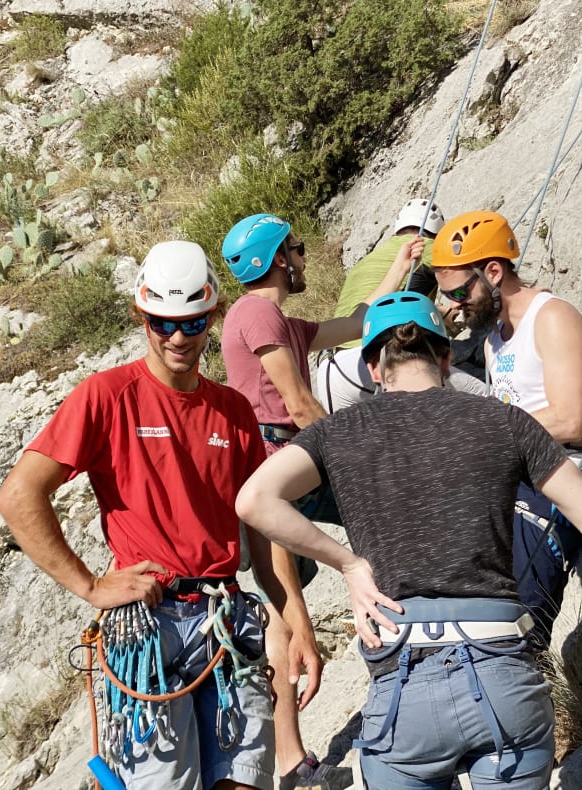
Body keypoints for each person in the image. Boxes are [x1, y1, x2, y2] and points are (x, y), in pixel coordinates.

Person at [0, 240, 323, 790]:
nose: (177, 338)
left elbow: (264, 527)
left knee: (243, 782)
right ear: (140, 315)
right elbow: (18, 496)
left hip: (225, 616)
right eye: (162, 322)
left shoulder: (234, 410)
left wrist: (297, 623)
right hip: (150, 624)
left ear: (211, 317)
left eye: (192, 324)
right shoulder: (106, 396)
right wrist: (91, 585)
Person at [236, 290, 582, 789]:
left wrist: (349, 564)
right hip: (503, 673)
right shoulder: (506, 420)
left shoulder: (339, 430)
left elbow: (254, 500)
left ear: (374, 367)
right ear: (445, 358)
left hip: (403, 682)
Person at [220, 213, 422, 790]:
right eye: (298, 249)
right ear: (279, 257)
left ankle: (291, 760)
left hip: (282, 460)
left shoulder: (274, 317)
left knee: (283, 615)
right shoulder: (256, 312)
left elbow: (353, 325)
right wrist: (363, 456)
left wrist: (400, 269)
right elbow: (299, 403)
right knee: (294, 606)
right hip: (279, 461)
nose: (304, 258)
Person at [431, 209, 582, 648]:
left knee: (523, 602)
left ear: (493, 271)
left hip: (560, 473)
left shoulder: (550, 316)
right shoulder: (496, 336)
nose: (454, 305)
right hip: (523, 475)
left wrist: (490, 431)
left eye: (460, 291)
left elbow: (573, 416)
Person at [316, 198, 485, 413]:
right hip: (375, 355)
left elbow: (389, 301)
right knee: (481, 396)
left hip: (332, 369)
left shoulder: (367, 260)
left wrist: (442, 312)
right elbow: (466, 271)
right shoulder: (424, 246)